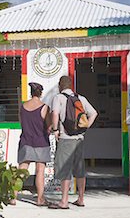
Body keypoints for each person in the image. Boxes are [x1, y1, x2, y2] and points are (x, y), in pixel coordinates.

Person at [50, 76, 98, 209]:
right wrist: (86, 126)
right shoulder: (81, 98)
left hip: (66, 138)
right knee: (80, 168)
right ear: (71, 85)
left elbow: (55, 114)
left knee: (65, 168)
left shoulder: (58, 98)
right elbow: (94, 113)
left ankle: (64, 201)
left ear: (60, 85)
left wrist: (55, 130)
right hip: (79, 138)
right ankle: (81, 199)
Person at [14, 82, 52, 206]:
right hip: (41, 141)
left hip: (26, 140)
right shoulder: (44, 107)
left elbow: (21, 123)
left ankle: (13, 196)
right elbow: (49, 125)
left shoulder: (23, 107)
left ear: (31, 93)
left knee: (22, 169)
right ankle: (40, 199)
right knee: (40, 170)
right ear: (40, 93)